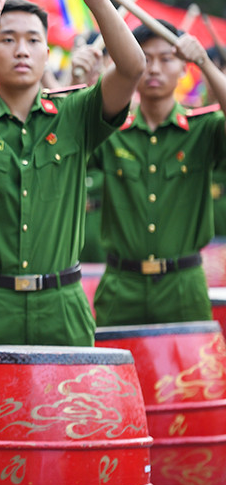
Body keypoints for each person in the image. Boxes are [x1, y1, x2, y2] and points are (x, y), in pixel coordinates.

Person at [0, 0, 144, 347]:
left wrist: (97, 0)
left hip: (62, 305)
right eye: (7, 40)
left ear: (48, 52)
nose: (22, 50)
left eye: (33, 41)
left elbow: (132, 68)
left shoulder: (77, 114)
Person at [92, 30, 226, 326]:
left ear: (184, 69)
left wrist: (205, 63)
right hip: (120, 286)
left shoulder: (203, 128)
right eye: (145, 59)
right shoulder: (111, 131)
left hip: (183, 286)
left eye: (166, 59)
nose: (154, 69)